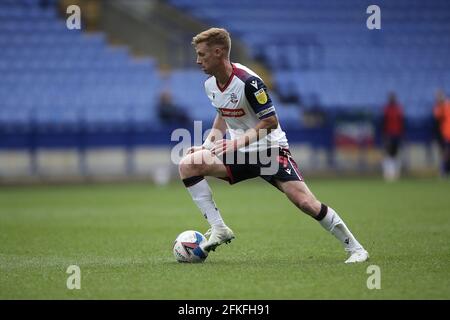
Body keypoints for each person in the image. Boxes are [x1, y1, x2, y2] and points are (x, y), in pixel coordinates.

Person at [178, 28, 369, 263]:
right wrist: (207, 147)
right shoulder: (210, 85)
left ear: (218, 52)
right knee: (189, 165)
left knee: (306, 203)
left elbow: (270, 122)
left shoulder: (249, 82)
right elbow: (222, 115)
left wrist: (236, 142)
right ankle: (219, 228)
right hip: (241, 152)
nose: (198, 60)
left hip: (270, 152)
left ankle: (356, 248)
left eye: (202, 54)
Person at [381, 92, 404, 181]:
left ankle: (396, 173)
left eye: (393, 98)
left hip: (397, 134)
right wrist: (384, 134)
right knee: (388, 153)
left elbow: (402, 122)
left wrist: (402, 134)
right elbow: (383, 122)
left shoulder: (399, 108)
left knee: (396, 154)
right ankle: (388, 173)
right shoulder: (386, 109)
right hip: (389, 134)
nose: (392, 99)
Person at [433, 90, 450, 177]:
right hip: (445, 134)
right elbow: (437, 116)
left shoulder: (447, 105)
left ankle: (444, 170)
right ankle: (443, 171)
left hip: (446, 133)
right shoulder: (439, 107)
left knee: (446, 153)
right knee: (445, 153)